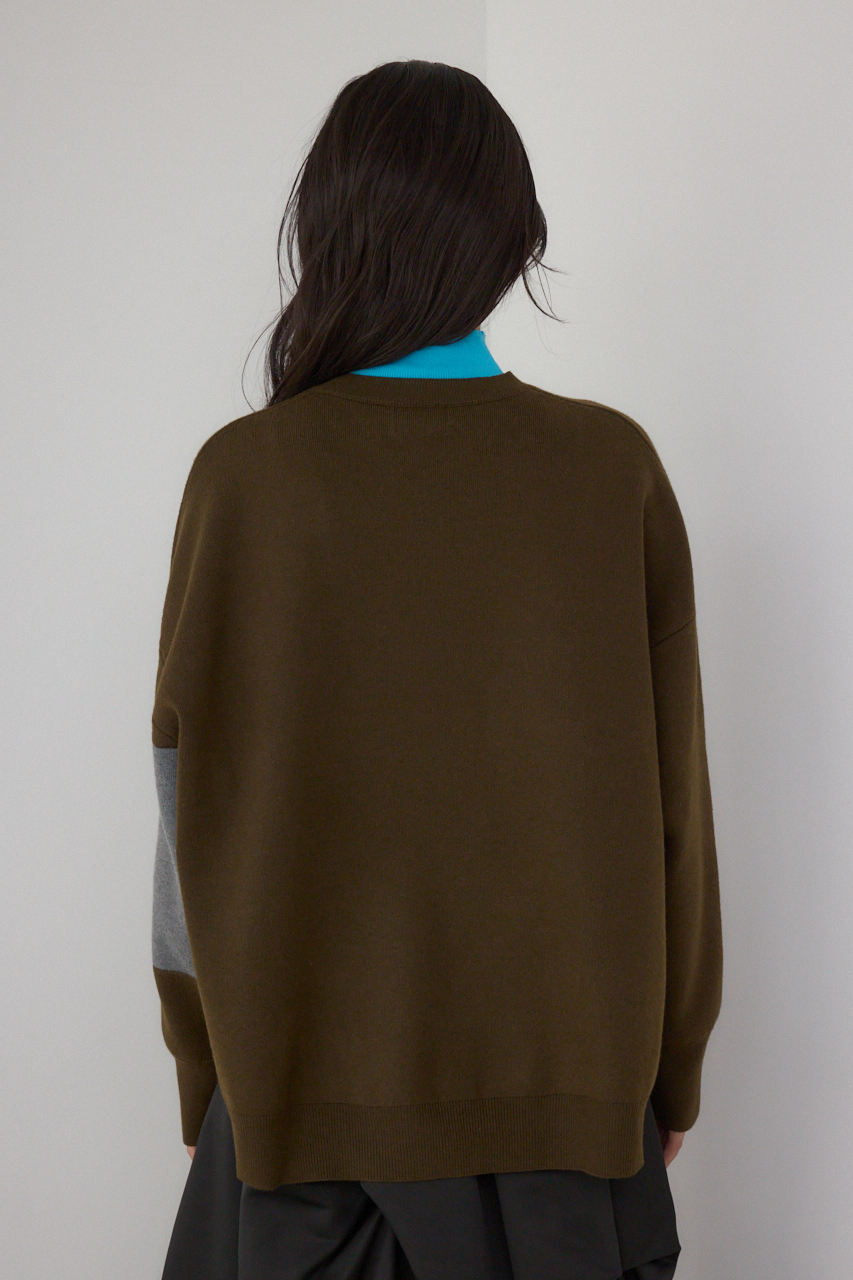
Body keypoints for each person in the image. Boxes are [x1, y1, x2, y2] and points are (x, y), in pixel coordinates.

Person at [151, 59, 723, 1280]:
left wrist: (211, 1072)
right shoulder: (610, 469)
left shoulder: (243, 479)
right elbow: (676, 809)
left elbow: (186, 812)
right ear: (512, 237)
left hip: (297, 1141)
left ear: (327, 230)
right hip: (569, 1143)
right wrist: (667, 1071)